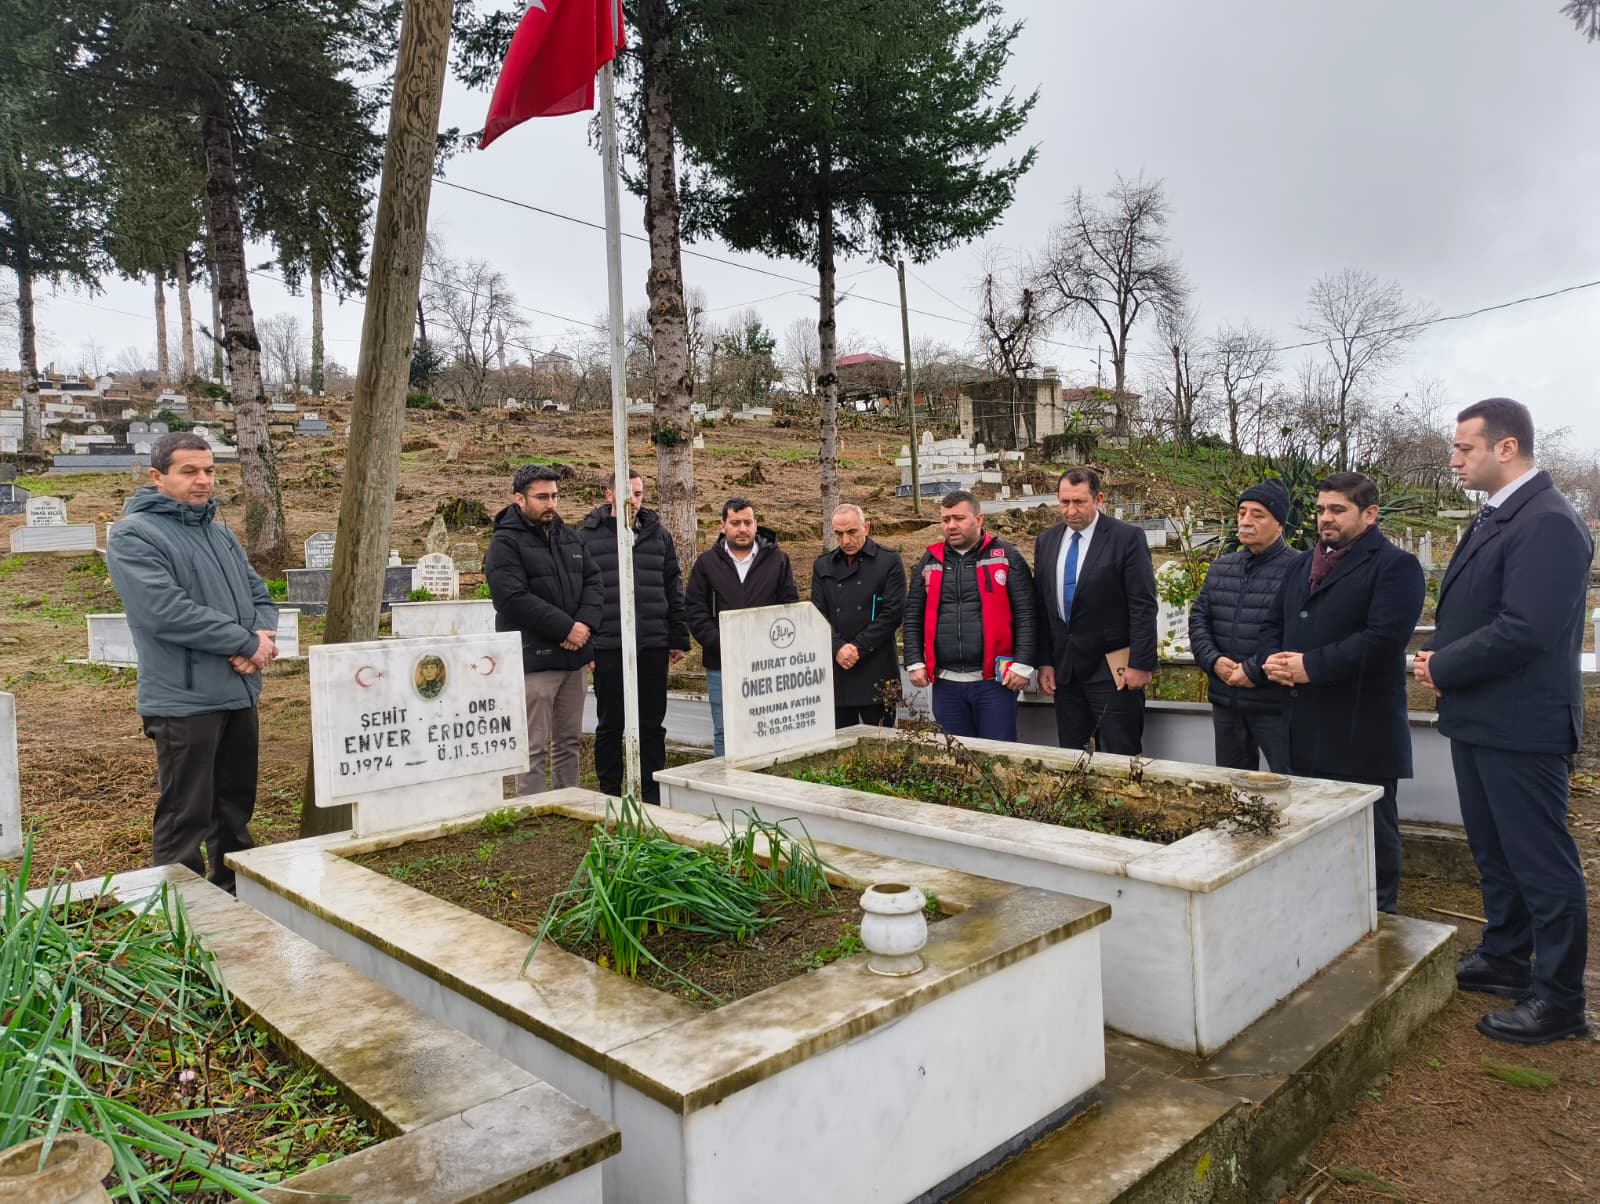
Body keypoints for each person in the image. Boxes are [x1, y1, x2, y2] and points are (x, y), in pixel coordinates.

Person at [1414, 398, 1591, 1045]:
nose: (1455, 459)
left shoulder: (1547, 522)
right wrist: (1448, 664)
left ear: (1507, 448)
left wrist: (1444, 666)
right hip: (1482, 718)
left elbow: (1526, 628)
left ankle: (1561, 999)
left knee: (1541, 862)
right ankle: (1508, 956)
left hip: (1522, 725)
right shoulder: (1501, 515)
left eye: (1465, 448)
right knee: (1495, 854)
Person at [105, 432, 278, 894]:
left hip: (237, 691)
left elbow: (259, 594)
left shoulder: (219, 533)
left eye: (209, 471)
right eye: (189, 471)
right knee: (187, 814)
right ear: (157, 477)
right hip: (184, 700)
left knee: (235, 809)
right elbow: (164, 612)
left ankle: (235, 899)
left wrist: (259, 638)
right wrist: (245, 642)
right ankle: (180, 914)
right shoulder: (133, 535)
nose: (203, 481)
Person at [1260, 472, 1425, 914]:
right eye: (1319, 509)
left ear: (1369, 515)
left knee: (1370, 828)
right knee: (1311, 823)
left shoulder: (1396, 567)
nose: (1325, 519)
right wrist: (1271, 660)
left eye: (1337, 510)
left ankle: (1377, 915)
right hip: (1302, 724)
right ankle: (1320, 909)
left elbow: (1383, 640)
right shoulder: (1300, 564)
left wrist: (1309, 667)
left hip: (1360, 727)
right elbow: (1274, 623)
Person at [485, 463, 602, 794]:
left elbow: (594, 582)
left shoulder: (570, 537)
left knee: (568, 742)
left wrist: (584, 626)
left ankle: (568, 803)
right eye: (542, 497)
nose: (551, 503)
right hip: (534, 661)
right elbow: (512, 599)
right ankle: (532, 810)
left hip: (574, 660)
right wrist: (567, 629)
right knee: (533, 747)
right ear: (519, 499)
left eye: (555, 496)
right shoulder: (505, 543)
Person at [578, 470, 691, 803]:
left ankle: (651, 794)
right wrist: (589, 647)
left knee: (652, 725)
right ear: (609, 495)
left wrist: (677, 635)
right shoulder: (587, 536)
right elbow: (580, 591)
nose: (635, 500)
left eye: (640, 494)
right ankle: (610, 794)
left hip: (652, 643)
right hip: (609, 644)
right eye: (629, 494)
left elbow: (673, 585)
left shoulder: (658, 536)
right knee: (611, 724)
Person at [1032, 467, 1158, 754]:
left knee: (1120, 755)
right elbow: (1043, 607)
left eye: (1079, 502)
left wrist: (1141, 663)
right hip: (1066, 673)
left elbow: (1143, 605)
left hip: (1114, 671)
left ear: (1098, 499)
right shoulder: (1047, 541)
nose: (1071, 510)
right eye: (1065, 502)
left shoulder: (1126, 538)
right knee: (1071, 756)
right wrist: (1045, 662)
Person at [904, 490, 1036, 741]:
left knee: (998, 758)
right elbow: (913, 615)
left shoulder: (1007, 556)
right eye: (945, 520)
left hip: (995, 683)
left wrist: (1023, 664)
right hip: (946, 684)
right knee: (957, 761)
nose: (951, 526)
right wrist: (914, 660)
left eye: (958, 518)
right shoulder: (930, 560)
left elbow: (1027, 614)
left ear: (978, 520)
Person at [1187, 480, 1297, 772]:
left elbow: (1296, 633)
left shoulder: (1298, 569)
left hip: (1275, 705)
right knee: (1233, 788)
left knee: (1291, 786)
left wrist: (1253, 670)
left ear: (1279, 525)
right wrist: (1213, 661)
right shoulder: (1223, 567)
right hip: (1227, 701)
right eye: (1242, 512)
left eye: (1257, 514)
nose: (1246, 521)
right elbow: (1199, 619)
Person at [685, 498, 800, 756]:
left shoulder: (778, 560)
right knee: (725, 732)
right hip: (721, 663)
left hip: (768, 664)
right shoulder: (706, 563)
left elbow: (789, 607)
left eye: (748, 522)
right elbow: (694, 609)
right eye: (735, 523)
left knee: (768, 729)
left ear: (756, 525)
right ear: (722, 525)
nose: (742, 528)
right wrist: (721, 642)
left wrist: (771, 644)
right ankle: (723, 793)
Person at [811, 504, 907, 729]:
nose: (845, 541)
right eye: (838, 534)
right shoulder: (822, 565)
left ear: (867, 527)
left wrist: (857, 648)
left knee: (881, 745)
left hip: (877, 668)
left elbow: (892, 614)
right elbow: (818, 614)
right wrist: (838, 648)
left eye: (852, 532)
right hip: (838, 671)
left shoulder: (888, 561)